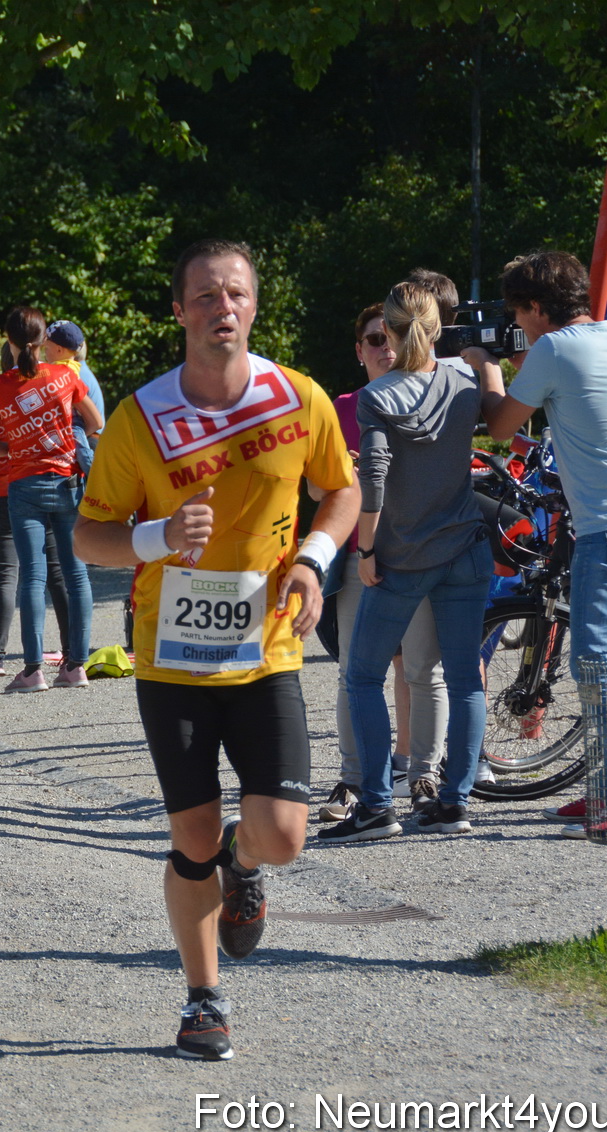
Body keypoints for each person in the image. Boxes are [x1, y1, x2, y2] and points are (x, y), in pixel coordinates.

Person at [74, 239, 358, 1061]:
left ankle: (245, 861)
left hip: (267, 649)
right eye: (204, 296)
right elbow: (90, 535)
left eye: (234, 293)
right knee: (190, 834)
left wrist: (313, 558)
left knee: (285, 833)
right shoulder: (141, 417)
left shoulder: (296, 399)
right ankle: (204, 999)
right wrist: (158, 536)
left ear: (254, 307)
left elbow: (340, 489)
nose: (221, 307)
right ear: (179, 311)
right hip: (172, 659)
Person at [481, 251, 607, 841]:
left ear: (538, 309)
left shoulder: (554, 349)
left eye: (522, 312)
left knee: (597, 661)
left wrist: (485, 366)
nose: (522, 324)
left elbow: (499, 427)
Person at [319, 282, 494, 844]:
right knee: (464, 679)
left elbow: (372, 478)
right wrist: (486, 361)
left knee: (364, 675)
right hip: (465, 546)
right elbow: (501, 423)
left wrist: (366, 549)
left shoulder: (379, 395)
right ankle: (453, 801)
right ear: (438, 327)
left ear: (389, 333)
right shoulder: (463, 379)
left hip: (404, 555)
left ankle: (374, 806)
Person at [316, 305, 447, 823]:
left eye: (393, 335)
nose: (384, 346)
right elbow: (312, 487)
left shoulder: (431, 395)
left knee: (423, 671)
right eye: (373, 338)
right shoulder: (339, 407)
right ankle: (353, 781)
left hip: (418, 555)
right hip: (357, 559)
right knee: (354, 672)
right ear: (359, 350)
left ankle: (424, 777)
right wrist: (344, 475)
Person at [0, 306, 103, 692]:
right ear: (42, 338)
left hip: (24, 486)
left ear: (9, 341)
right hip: (67, 482)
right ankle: (76, 666)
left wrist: (19, 442)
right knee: (75, 571)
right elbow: (95, 423)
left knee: (32, 575)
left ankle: (32, 671)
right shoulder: (66, 375)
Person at [0, 342, 75, 680]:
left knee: (5, 576)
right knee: (56, 573)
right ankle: (73, 653)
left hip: (3, 492)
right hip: (42, 485)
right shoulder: (47, 388)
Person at [40, 320, 106, 474]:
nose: (45, 351)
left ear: (59, 350)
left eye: (47, 347)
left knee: (84, 454)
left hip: (77, 425)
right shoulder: (75, 368)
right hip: (82, 428)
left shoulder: (65, 371)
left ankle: (98, 479)